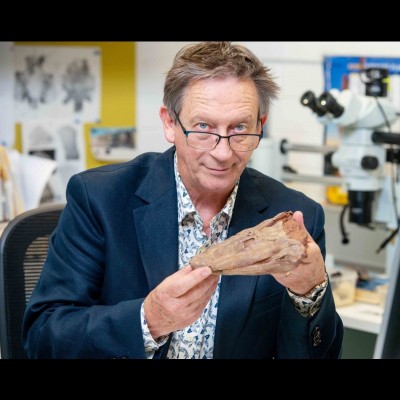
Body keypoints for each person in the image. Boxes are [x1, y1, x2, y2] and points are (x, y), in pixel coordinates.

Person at [22, 41, 343, 359]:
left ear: (260, 125)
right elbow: (43, 337)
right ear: (169, 123)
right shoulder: (100, 199)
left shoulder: (294, 218)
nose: (223, 152)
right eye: (203, 127)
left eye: (240, 128)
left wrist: (310, 293)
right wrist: (148, 320)